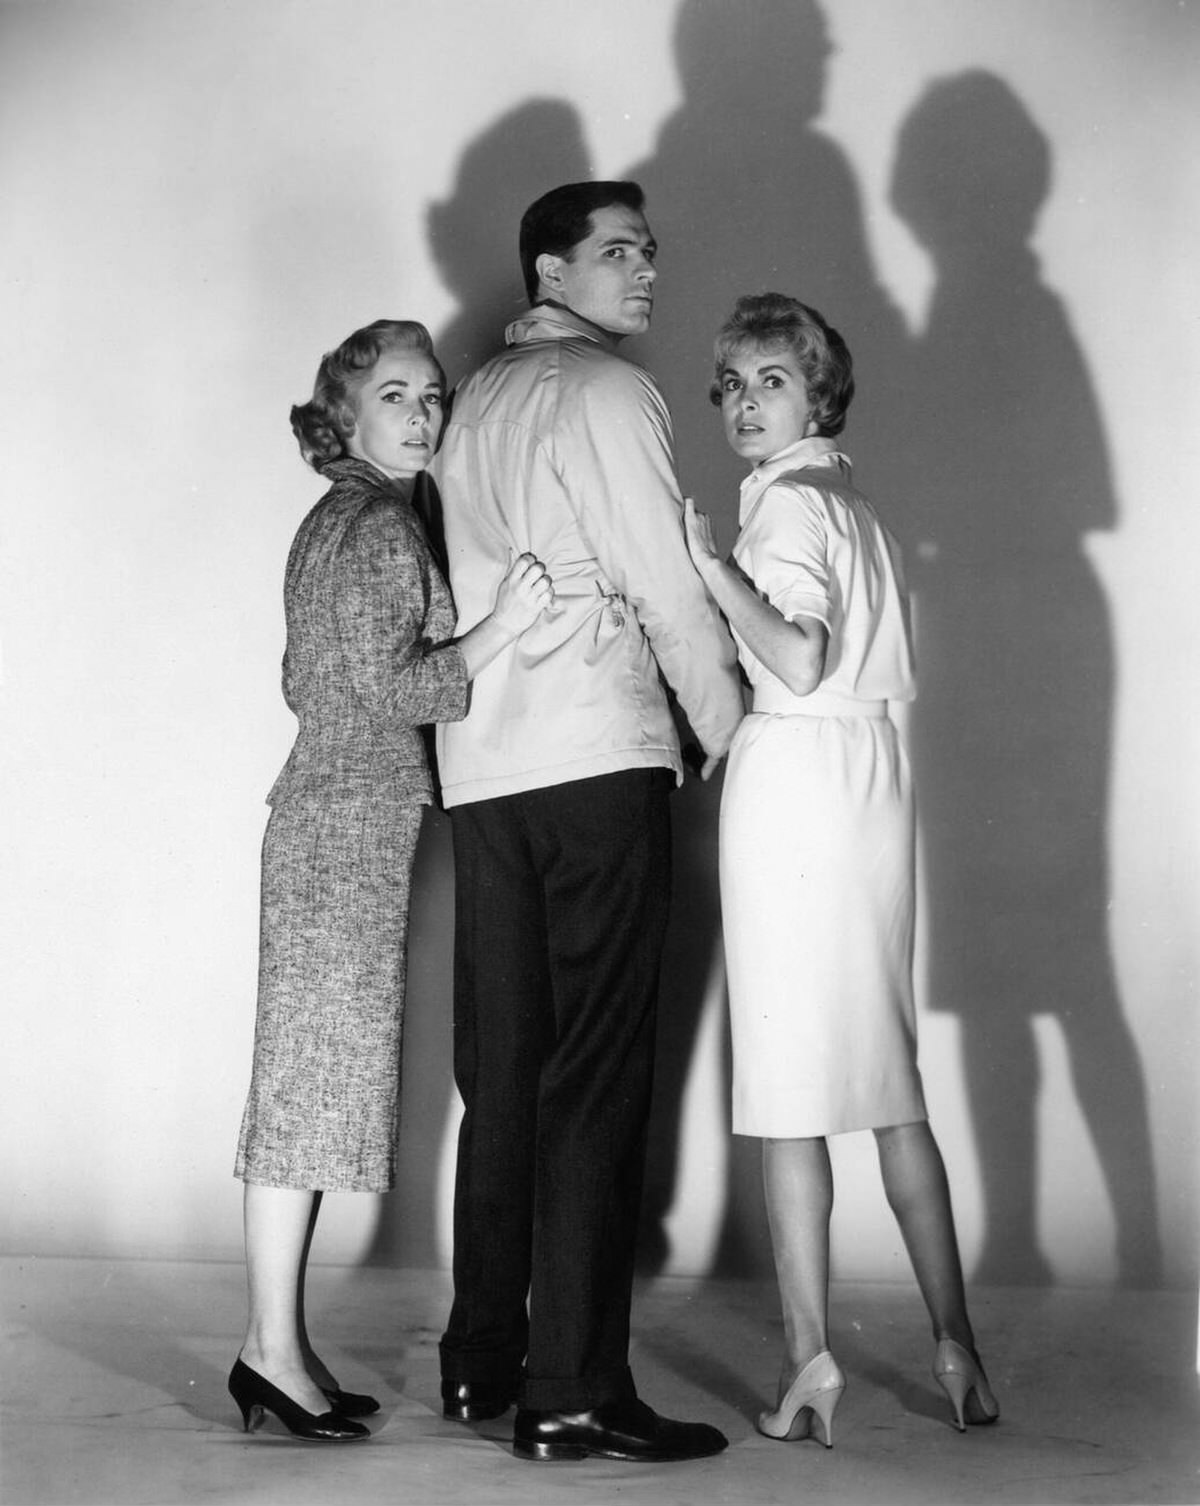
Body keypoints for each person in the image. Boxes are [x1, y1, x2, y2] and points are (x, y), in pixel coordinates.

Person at [433, 181, 744, 1463]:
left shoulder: (473, 402)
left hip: (485, 769)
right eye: (618, 253)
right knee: (596, 1078)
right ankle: (572, 1389)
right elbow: (662, 581)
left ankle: (478, 1363)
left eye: (651, 251)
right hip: (594, 757)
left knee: (500, 1071)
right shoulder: (610, 396)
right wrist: (730, 723)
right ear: (550, 271)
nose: (647, 272)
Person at [683, 293, 998, 1446]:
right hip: (872, 786)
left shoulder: (779, 512)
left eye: (769, 379)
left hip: (800, 783)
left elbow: (800, 658)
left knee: (787, 1093)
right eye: (731, 385)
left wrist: (710, 569)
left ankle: (810, 1360)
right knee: (889, 1079)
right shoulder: (855, 504)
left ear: (819, 391)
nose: (742, 405)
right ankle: (957, 1344)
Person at [231, 319, 554, 1442]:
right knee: (304, 1100)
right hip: (344, 834)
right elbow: (390, 692)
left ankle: (282, 1348)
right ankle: (270, 1351)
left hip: (330, 826)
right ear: (346, 417)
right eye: (396, 397)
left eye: (431, 397)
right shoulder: (374, 526)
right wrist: (504, 626)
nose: (421, 415)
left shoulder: (336, 522)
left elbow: (298, 678)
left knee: (303, 1096)